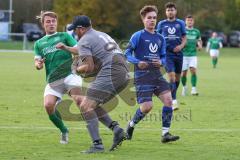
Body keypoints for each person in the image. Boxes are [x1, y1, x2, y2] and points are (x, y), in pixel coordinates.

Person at [66, 15, 129, 153]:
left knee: (85, 106)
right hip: (124, 72)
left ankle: (97, 145)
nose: (75, 33)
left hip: (112, 71)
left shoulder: (84, 40)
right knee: (93, 104)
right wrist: (66, 48)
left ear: (81, 29)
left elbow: (88, 67)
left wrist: (76, 69)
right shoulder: (100, 34)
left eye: (75, 30)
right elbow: (90, 56)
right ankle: (117, 130)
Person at [125, 5, 180, 143]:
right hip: (142, 76)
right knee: (147, 107)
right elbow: (126, 54)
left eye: (154, 18)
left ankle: (165, 134)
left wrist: (161, 62)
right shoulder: (137, 36)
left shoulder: (160, 37)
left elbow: (163, 56)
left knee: (168, 101)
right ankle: (131, 125)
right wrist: (137, 62)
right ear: (143, 19)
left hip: (156, 75)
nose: (152, 20)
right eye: (149, 18)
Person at [33, 11, 83, 144]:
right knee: (48, 106)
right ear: (43, 24)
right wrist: (39, 64)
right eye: (48, 21)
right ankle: (64, 130)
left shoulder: (64, 35)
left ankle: (97, 132)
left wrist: (65, 47)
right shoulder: (39, 43)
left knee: (79, 100)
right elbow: (37, 64)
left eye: (53, 21)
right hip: (53, 80)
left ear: (56, 23)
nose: (51, 24)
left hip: (70, 75)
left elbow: (78, 50)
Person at [157, 2, 187, 110]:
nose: (170, 12)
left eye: (172, 10)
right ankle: (173, 101)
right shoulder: (161, 24)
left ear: (175, 11)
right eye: (168, 10)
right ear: (166, 12)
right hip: (167, 54)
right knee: (172, 77)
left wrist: (181, 46)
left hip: (179, 54)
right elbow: (157, 38)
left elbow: (184, 37)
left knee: (177, 79)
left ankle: (172, 95)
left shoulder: (181, 23)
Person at [181, 15, 202, 96]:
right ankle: (184, 86)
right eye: (188, 20)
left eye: (191, 20)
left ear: (193, 21)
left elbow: (199, 40)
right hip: (183, 55)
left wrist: (200, 45)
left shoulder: (196, 31)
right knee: (183, 73)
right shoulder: (182, 31)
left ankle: (193, 89)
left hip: (193, 55)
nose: (190, 22)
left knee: (193, 70)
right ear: (185, 22)